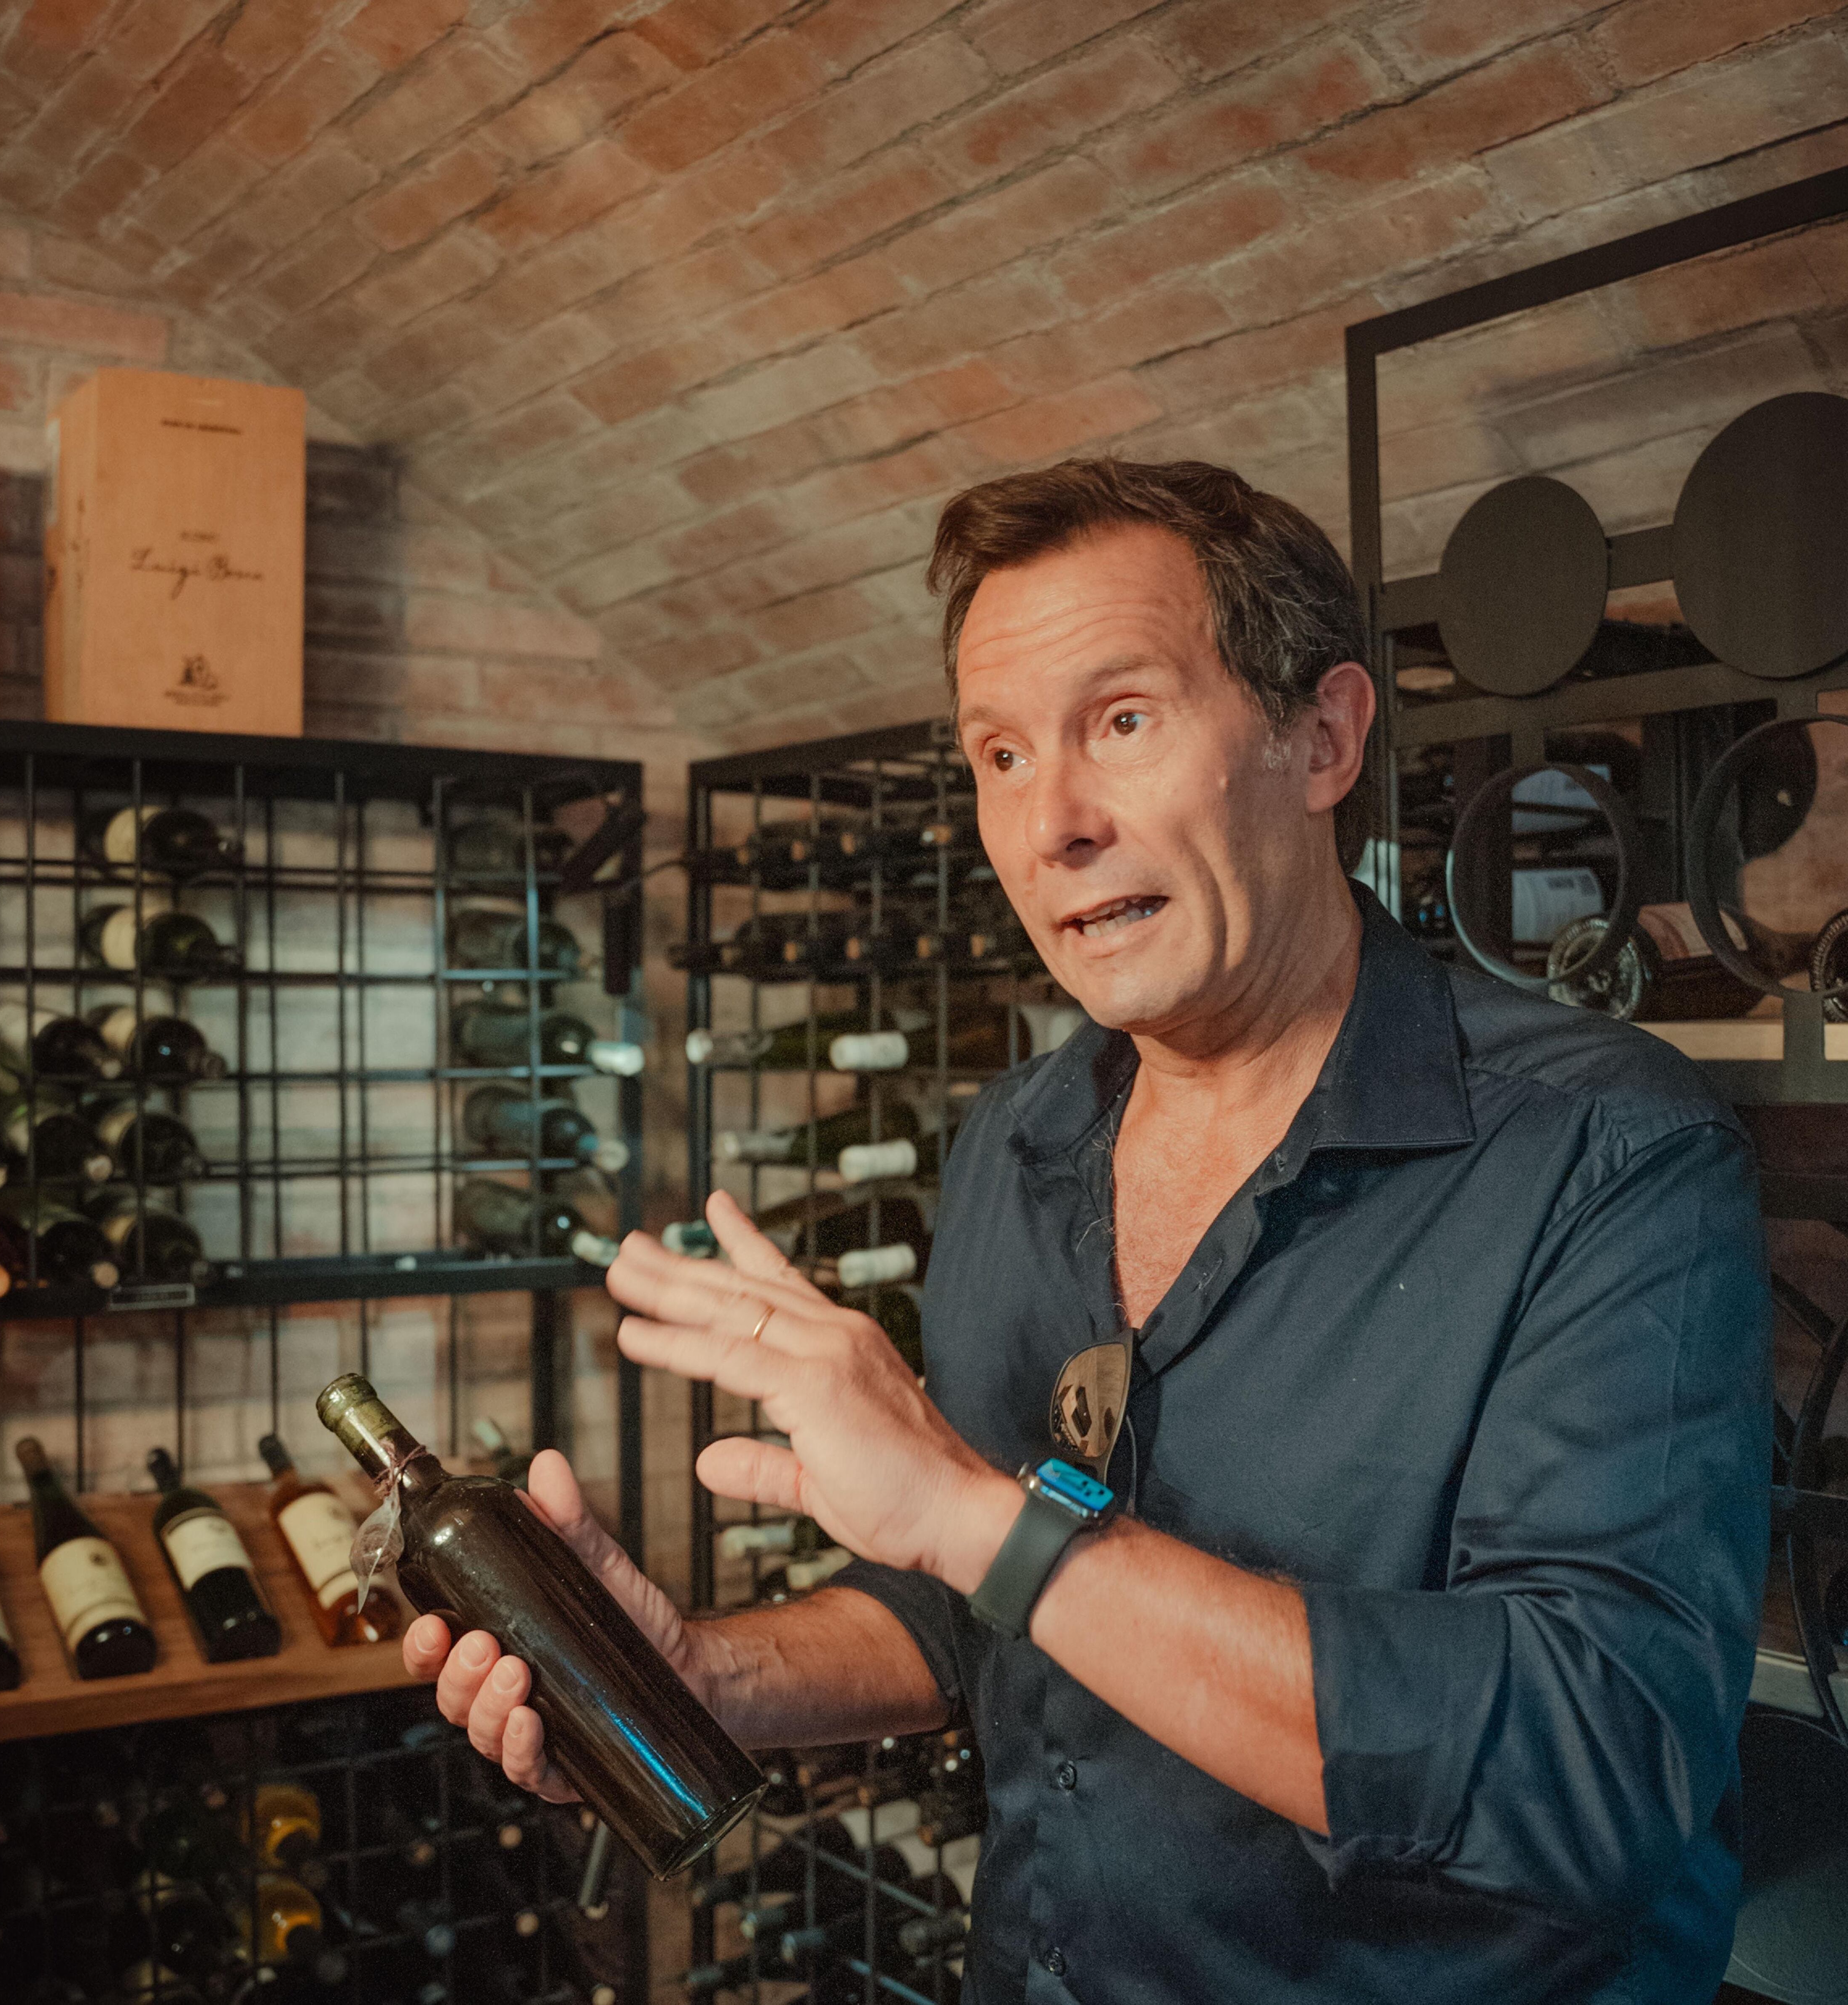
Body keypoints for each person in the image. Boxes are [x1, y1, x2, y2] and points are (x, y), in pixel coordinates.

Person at [406, 460, 1772, 2003]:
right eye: (1000, 754)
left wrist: (980, 1517)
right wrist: (703, 1674)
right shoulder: (1020, 1138)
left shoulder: (1606, 1157)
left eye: (1122, 721)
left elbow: (1593, 1769)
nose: (1050, 823)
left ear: (1323, 738)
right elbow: (967, 1608)